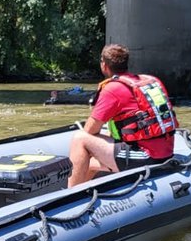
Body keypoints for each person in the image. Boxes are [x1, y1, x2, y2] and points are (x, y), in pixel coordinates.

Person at [68, 44, 178, 185]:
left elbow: (89, 130)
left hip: (146, 156)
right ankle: (82, 193)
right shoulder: (149, 80)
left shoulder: (112, 89)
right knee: (90, 164)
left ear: (104, 65)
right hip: (166, 151)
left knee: (80, 138)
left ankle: (70, 194)